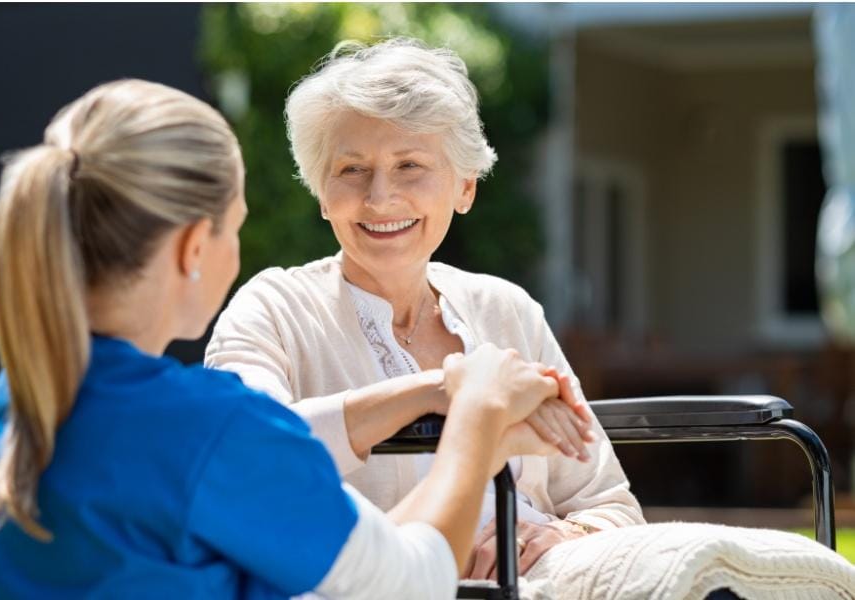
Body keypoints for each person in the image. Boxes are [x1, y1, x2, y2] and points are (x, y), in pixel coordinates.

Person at [0, 79, 575, 599]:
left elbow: (354, 564)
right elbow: (407, 581)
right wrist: (478, 413)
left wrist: (435, 390)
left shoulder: (13, 408)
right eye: (237, 228)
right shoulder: (208, 430)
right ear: (195, 247)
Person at [205, 37, 645, 582]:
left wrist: (558, 537)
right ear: (322, 194)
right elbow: (247, 457)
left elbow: (610, 505)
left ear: (465, 187)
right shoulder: (272, 308)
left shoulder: (507, 310)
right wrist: (443, 389)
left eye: (410, 165)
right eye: (351, 170)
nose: (380, 197)